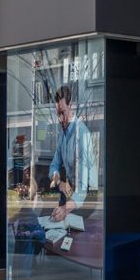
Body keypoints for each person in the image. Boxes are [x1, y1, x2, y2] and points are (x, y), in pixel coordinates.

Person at [46, 84, 93, 223]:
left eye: (63, 113)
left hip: (85, 201)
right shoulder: (62, 135)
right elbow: (54, 165)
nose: (60, 119)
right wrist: (58, 181)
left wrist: (65, 209)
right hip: (69, 196)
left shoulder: (82, 134)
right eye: (58, 114)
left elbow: (83, 187)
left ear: (70, 106)